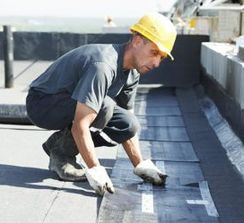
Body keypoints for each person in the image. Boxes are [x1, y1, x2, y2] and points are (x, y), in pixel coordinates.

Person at [26, 12, 177, 196]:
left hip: (70, 104)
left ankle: (58, 144)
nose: (156, 63)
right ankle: (62, 155)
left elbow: (126, 122)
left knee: (128, 125)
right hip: (43, 103)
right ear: (137, 41)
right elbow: (81, 124)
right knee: (104, 107)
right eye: (154, 53)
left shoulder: (132, 72)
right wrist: (95, 169)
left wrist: (140, 164)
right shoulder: (103, 65)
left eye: (161, 57)